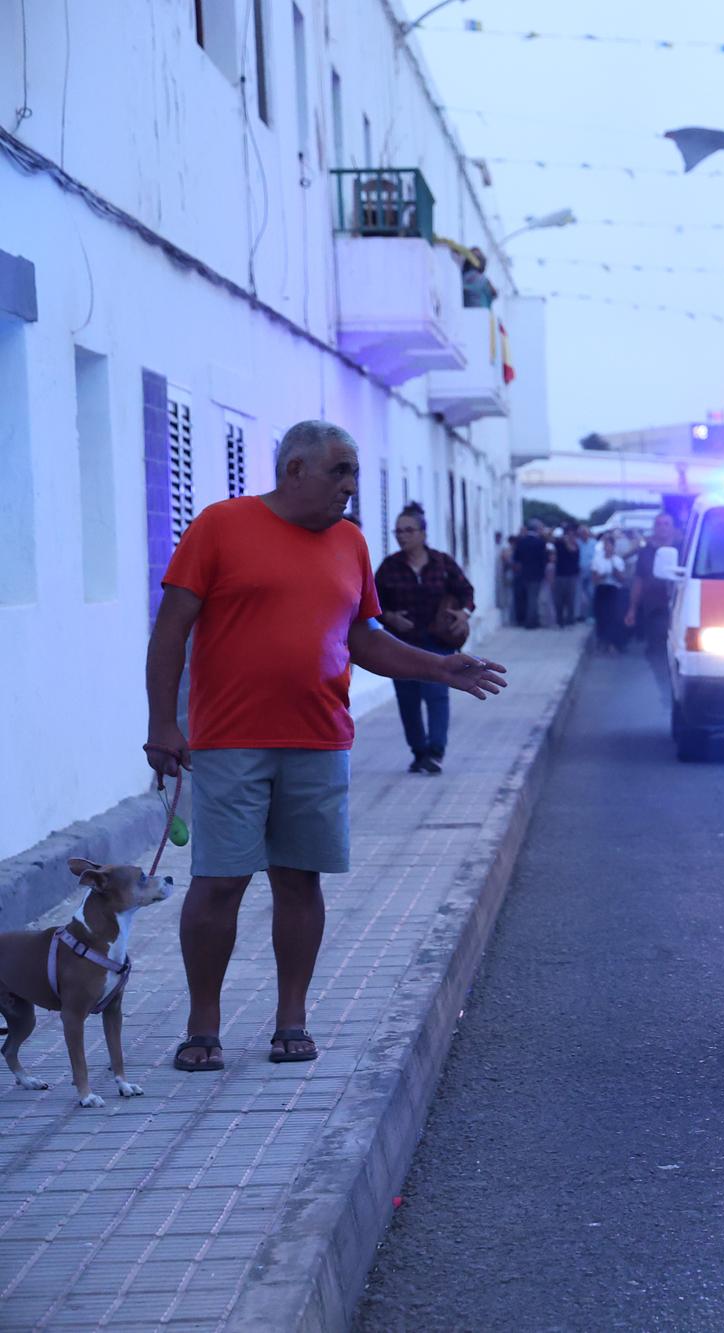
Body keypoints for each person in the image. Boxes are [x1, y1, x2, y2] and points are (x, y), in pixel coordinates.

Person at [144, 421, 507, 1073]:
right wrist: (162, 725)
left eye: (354, 472)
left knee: (299, 877)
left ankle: (292, 1019)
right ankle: (203, 1025)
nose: (349, 485)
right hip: (228, 740)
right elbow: (171, 628)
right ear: (294, 471)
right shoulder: (220, 526)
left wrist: (439, 665)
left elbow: (362, 639)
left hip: (319, 739)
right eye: (339, 470)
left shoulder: (351, 543)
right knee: (219, 880)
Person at [374, 502, 476, 774]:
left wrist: (463, 614)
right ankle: (418, 751)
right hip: (401, 644)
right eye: (398, 531)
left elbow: (466, 591)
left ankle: (436, 751)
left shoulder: (442, 563)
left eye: (408, 530)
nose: (402, 536)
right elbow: (372, 604)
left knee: (436, 694)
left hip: (437, 640)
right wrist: (390, 618)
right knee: (408, 699)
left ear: (422, 533)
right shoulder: (389, 568)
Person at [625, 512, 683, 703]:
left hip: (680, 608)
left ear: (673, 528)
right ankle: (665, 690)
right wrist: (632, 609)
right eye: (659, 524)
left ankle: (681, 690)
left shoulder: (684, 550)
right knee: (656, 653)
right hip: (654, 608)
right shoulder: (646, 552)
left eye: (667, 523)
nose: (663, 527)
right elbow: (639, 581)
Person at [591, 530, 632, 652]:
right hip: (602, 589)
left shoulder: (617, 560)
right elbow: (594, 578)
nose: (607, 547)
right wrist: (602, 575)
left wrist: (614, 571)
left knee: (613, 617)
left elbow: (622, 579)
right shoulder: (597, 560)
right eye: (605, 544)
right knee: (601, 616)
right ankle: (602, 641)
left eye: (609, 545)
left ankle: (613, 643)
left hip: (614, 590)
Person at [510, 521, 549, 628]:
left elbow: (516, 558)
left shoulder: (521, 542)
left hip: (524, 573)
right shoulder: (540, 542)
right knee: (533, 598)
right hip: (536, 574)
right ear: (536, 529)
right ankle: (531, 622)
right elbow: (543, 559)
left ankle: (527, 619)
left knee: (526, 598)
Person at [551, 523, 581, 628]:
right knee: (559, 600)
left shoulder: (576, 545)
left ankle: (570, 620)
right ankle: (560, 620)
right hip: (559, 575)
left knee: (570, 600)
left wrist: (568, 542)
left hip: (571, 576)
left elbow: (572, 551)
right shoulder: (558, 544)